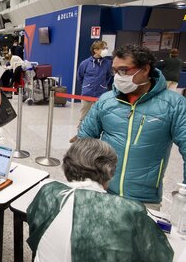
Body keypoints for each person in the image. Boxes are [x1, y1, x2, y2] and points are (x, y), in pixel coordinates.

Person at [26, 138, 173, 262]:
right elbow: (159, 256)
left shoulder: (47, 192)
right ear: (110, 172)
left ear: (67, 166)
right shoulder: (129, 210)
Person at [78, 45, 186, 209]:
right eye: (115, 71)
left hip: (144, 201)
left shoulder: (174, 105)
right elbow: (84, 138)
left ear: (145, 69)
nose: (117, 77)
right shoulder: (106, 101)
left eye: (124, 70)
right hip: (102, 193)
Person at [70, 40, 112, 143]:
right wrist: (87, 86)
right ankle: (79, 135)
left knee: (100, 116)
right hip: (87, 93)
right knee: (84, 115)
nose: (105, 50)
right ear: (95, 50)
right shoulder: (85, 63)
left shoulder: (108, 63)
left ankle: (97, 138)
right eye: (103, 48)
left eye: (105, 48)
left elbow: (108, 76)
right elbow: (80, 77)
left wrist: (103, 86)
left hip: (101, 94)